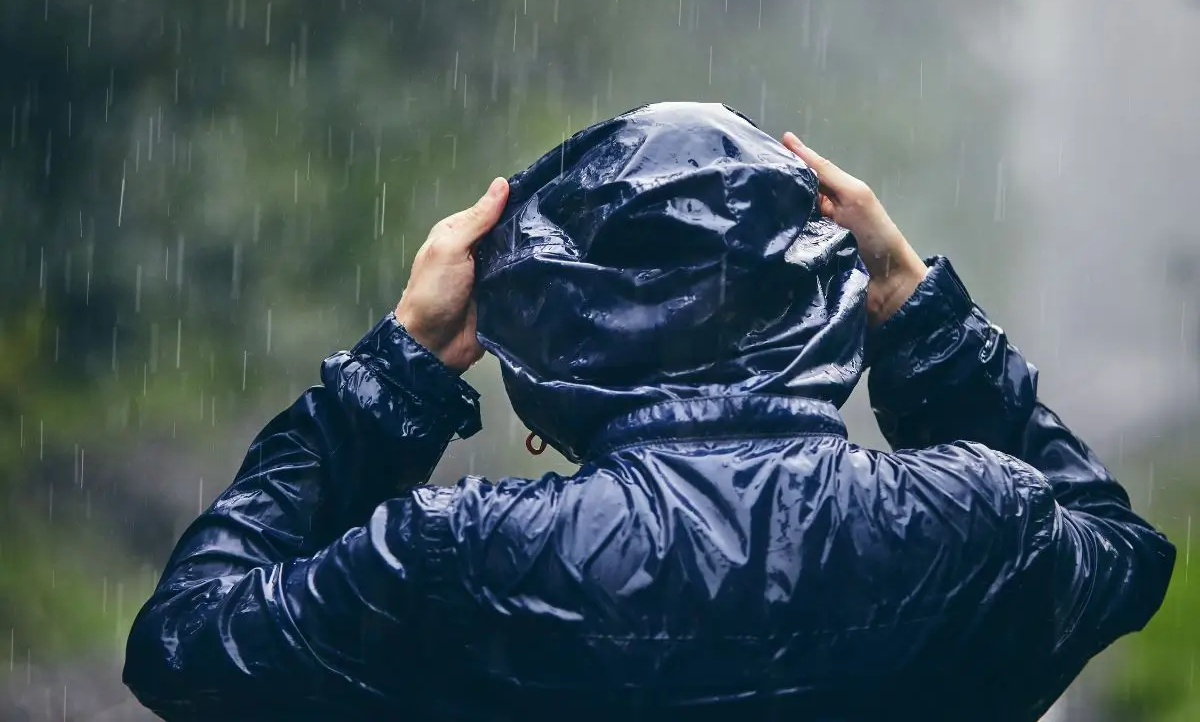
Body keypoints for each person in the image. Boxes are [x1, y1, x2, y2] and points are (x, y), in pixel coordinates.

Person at [123, 102, 1174, 721]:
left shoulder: (462, 556)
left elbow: (184, 648)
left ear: (552, 334)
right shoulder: (981, 525)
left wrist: (397, 368)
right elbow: (1126, 553)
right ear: (825, 293)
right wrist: (916, 308)